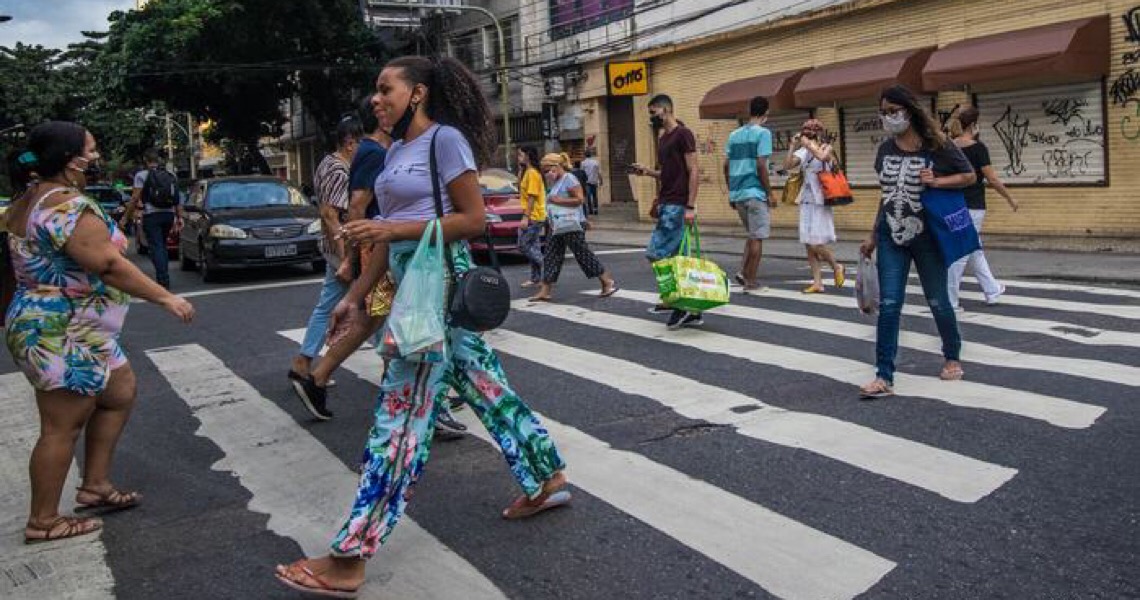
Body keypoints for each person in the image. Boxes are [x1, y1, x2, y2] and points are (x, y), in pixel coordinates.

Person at [275, 56, 569, 597]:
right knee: (485, 386)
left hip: (440, 286)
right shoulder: (394, 153)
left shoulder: (444, 140)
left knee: (402, 413)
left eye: (386, 89)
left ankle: (350, 557)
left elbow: (472, 219)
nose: (376, 99)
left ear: (418, 93)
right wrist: (355, 299)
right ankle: (547, 477)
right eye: (375, 90)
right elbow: (390, 240)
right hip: (412, 283)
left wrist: (392, 226)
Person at [5, 122, 194, 544]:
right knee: (61, 425)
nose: (97, 155)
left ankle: (95, 485)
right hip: (62, 331)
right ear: (72, 159)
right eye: (91, 148)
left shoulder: (29, 198)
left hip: (73, 328)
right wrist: (166, 297)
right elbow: (107, 264)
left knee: (119, 391)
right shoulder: (66, 206)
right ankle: (44, 520)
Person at [858, 85, 976, 399]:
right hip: (891, 235)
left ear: (909, 111)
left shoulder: (936, 145)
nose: (888, 117)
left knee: (937, 300)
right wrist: (873, 235)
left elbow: (969, 176)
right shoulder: (885, 150)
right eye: (883, 112)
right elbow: (887, 197)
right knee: (890, 305)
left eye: (893, 111)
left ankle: (952, 355)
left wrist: (936, 180)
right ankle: (884, 375)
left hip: (928, 237)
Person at [288, 115, 363, 419]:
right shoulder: (337, 168)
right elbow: (330, 213)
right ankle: (307, 364)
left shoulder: (327, 164)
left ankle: (305, 363)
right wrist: (347, 257)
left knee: (336, 305)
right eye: (361, 143)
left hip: (338, 249)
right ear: (349, 143)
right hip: (341, 249)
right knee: (370, 308)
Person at [631, 94, 701, 330]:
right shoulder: (663, 139)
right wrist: (649, 172)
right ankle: (688, 306)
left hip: (678, 204)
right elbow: (669, 173)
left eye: (653, 112)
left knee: (657, 253)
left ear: (665, 109)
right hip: (667, 202)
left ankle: (680, 303)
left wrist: (690, 206)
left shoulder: (683, 134)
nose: (651, 118)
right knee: (672, 257)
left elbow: (694, 170)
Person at [947, 106, 1018, 309]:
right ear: (973, 125)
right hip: (974, 206)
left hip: (954, 205)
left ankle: (992, 289)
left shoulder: (950, 147)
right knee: (961, 253)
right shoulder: (978, 148)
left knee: (974, 249)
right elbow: (992, 179)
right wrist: (1010, 198)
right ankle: (950, 301)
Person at [527, 153, 618, 302]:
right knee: (550, 255)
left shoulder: (569, 179)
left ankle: (606, 281)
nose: (546, 173)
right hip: (556, 225)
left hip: (571, 225)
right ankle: (545, 290)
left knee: (582, 253)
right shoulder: (555, 182)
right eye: (544, 171)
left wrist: (558, 200)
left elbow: (580, 199)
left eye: (547, 169)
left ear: (556, 166)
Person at [783, 118, 846, 293]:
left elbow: (822, 156)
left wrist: (807, 144)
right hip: (806, 199)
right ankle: (817, 282)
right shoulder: (803, 151)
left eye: (810, 132)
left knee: (815, 243)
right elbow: (788, 166)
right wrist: (792, 146)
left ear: (818, 134)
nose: (807, 136)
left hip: (821, 200)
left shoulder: (827, 148)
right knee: (807, 243)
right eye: (805, 132)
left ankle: (836, 266)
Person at [724, 96, 774, 292]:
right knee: (757, 237)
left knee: (752, 234)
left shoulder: (734, 135)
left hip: (738, 194)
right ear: (766, 113)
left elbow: (726, 165)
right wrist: (769, 193)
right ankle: (751, 282)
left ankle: (743, 272)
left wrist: (731, 191)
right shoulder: (763, 134)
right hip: (755, 192)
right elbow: (761, 165)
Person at [124, 149, 182, 289]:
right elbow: (178, 198)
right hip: (168, 215)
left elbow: (135, 198)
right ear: (158, 160)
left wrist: (126, 217)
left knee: (156, 247)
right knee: (162, 245)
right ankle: (163, 275)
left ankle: (163, 280)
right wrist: (179, 216)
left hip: (152, 215)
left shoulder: (141, 175)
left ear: (146, 160)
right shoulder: (170, 174)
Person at [516, 145, 546, 288]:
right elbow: (520, 189)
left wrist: (525, 217)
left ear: (528, 155)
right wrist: (520, 169)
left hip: (534, 216)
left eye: (521, 155)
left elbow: (532, 197)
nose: (518, 157)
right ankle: (536, 278)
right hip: (532, 215)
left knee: (523, 245)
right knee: (533, 245)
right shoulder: (527, 172)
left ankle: (547, 267)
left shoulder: (533, 173)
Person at [581, 147, 602, 215]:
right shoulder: (596, 162)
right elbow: (598, 172)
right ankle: (595, 209)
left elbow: (582, 173)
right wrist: (601, 180)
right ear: (591, 155)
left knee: (588, 196)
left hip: (587, 182)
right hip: (594, 181)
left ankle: (590, 210)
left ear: (585, 155)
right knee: (595, 196)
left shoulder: (583, 163)